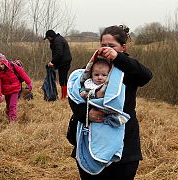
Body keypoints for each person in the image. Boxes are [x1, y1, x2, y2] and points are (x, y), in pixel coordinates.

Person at [68, 25, 153, 179]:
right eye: (103, 45)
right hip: (91, 139)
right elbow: (74, 96)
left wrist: (118, 58)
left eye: (112, 46)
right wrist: (86, 113)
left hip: (125, 145)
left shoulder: (129, 69)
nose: (106, 49)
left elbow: (146, 76)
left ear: (123, 47)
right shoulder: (92, 68)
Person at [0, 52, 33, 123]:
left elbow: (22, 73)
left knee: (12, 105)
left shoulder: (13, 66)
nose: (1, 66)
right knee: (8, 105)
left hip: (15, 88)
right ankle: (8, 116)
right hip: (6, 90)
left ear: (4, 62)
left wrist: (29, 83)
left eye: (2, 64)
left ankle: (13, 120)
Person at [43, 30, 72, 100]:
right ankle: (65, 95)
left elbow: (59, 53)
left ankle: (64, 96)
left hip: (64, 63)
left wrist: (52, 62)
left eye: (48, 38)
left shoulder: (57, 41)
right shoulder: (58, 39)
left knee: (63, 79)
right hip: (63, 62)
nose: (48, 40)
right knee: (63, 78)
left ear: (51, 37)